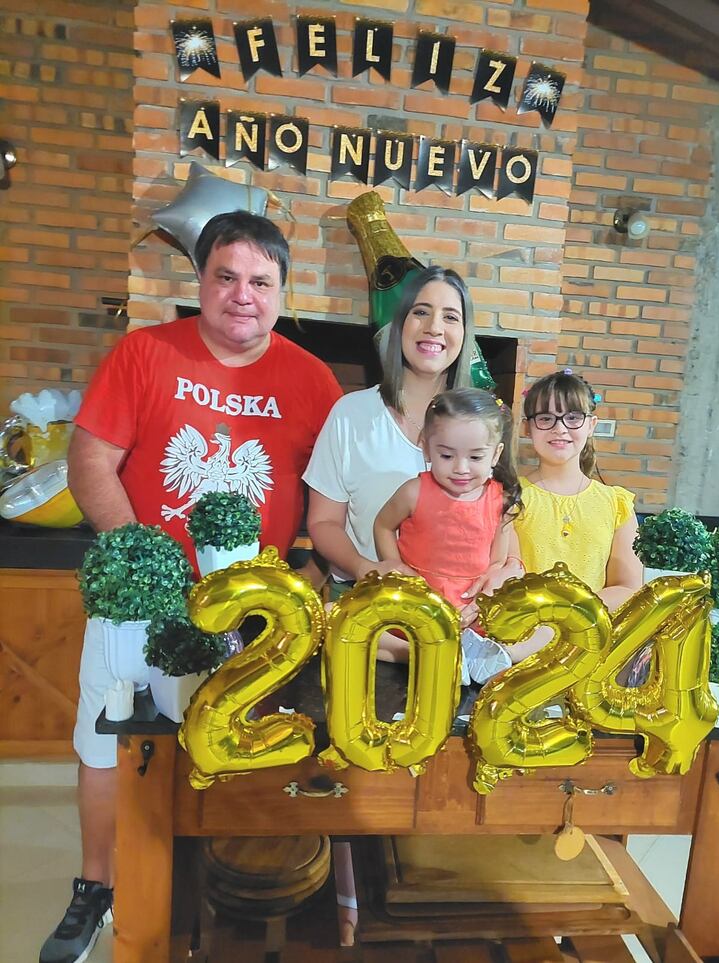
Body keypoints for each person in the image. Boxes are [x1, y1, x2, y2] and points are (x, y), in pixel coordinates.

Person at [40, 211, 342, 963]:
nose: (243, 294)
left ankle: (221, 884)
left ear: (282, 291)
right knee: (109, 742)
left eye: (261, 281)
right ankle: (96, 886)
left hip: (251, 614)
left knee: (233, 749)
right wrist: (146, 563)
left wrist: (305, 570)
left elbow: (333, 497)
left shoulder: (313, 380)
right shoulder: (145, 353)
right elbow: (90, 463)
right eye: (227, 276)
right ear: (201, 282)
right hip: (142, 603)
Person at [304, 266, 525, 660]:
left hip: (466, 613)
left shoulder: (485, 421)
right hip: (370, 607)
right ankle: (434, 654)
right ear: (400, 323)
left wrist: (508, 570)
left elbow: (500, 515)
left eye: (450, 316)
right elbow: (322, 522)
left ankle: (448, 655)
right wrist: (366, 566)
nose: (434, 327)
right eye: (421, 312)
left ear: (465, 333)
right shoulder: (351, 413)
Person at [373, 388, 525, 680]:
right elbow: (382, 525)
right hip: (418, 602)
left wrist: (482, 599)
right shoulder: (413, 491)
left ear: (496, 454)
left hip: (471, 610)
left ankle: (462, 654)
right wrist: (393, 564)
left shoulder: (500, 501)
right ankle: (422, 654)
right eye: (446, 455)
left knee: (545, 630)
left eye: (476, 456)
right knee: (334, 617)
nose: (461, 468)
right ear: (427, 448)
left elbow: (497, 562)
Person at [507, 368, 644, 664]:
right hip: (519, 647)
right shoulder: (509, 497)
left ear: (591, 424)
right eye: (546, 418)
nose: (560, 429)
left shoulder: (616, 503)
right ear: (528, 428)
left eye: (572, 417)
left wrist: (570, 615)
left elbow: (628, 586)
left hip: (587, 651)